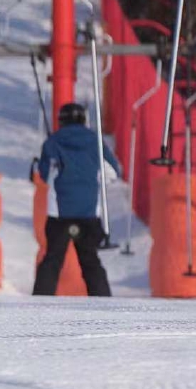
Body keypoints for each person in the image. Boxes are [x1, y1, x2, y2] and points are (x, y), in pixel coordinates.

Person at [32, 101, 120, 297]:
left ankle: (40, 301)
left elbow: (42, 176)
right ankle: (103, 301)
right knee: (90, 260)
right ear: (83, 119)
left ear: (61, 121)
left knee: (52, 259)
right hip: (89, 213)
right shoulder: (95, 141)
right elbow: (114, 171)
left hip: (59, 215)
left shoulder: (52, 142)